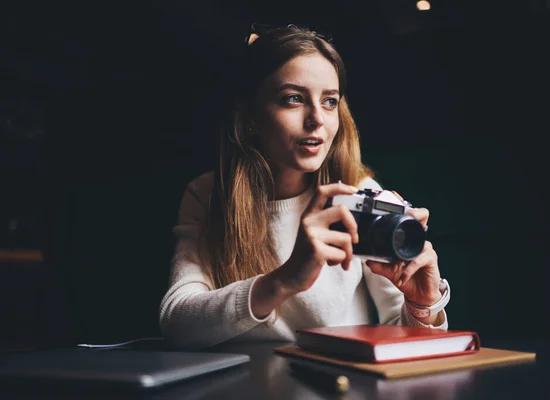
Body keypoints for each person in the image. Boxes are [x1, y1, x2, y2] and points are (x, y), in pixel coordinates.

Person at [159, 24, 450, 350]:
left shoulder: (357, 194)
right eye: (293, 99)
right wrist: (285, 280)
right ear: (250, 116)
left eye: (329, 102)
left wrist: (423, 304)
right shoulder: (208, 194)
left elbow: (416, 346)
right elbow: (177, 323)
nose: (317, 119)